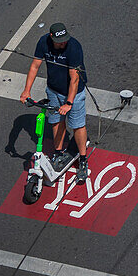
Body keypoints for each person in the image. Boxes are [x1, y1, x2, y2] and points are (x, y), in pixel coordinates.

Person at [20, 22, 89, 183]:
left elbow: (74, 79)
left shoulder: (74, 47)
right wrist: (26, 90)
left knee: (78, 125)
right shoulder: (43, 42)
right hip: (53, 89)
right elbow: (35, 66)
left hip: (74, 93)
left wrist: (69, 103)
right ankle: (58, 153)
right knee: (56, 122)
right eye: (60, 41)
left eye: (65, 39)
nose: (63, 43)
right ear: (51, 37)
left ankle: (83, 160)